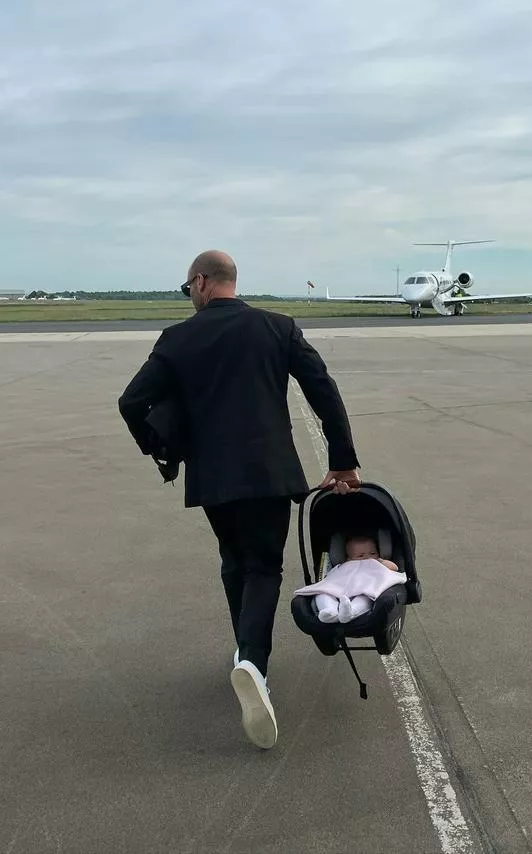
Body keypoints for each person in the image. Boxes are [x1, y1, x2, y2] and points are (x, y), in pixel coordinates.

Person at [117, 250, 360, 750]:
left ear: (201, 283)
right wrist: (342, 459)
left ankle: (244, 655)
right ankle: (252, 662)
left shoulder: (178, 338)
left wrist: (162, 448)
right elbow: (322, 388)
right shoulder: (277, 327)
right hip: (270, 473)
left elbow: (130, 402)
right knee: (263, 566)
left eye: (187, 289)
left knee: (234, 560)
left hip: (212, 479)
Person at [295, 533, 406, 624]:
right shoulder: (344, 565)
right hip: (338, 589)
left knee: (366, 598)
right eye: (360, 556)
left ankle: (351, 611)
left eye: (373, 553)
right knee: (322, 592)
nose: (368, 557)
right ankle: (329, 610)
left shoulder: (378, 562)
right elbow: (329, 578)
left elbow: (394, 568)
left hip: (364, 589)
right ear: (348, 558)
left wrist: (381, 561)